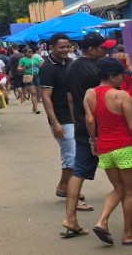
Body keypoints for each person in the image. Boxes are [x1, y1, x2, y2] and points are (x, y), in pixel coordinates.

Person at [84, 57, 132, 246]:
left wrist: (93, 141)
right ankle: (128, 234)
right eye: (121, 75)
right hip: (125, 147)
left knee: (119, 189)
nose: (124, 78)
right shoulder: (121, 96)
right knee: (131, 192)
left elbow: (90, 121)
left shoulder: (89, 94)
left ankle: (102, 221)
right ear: (112, 76)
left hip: (105, 148)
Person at [60, 32, 115, 236]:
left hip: (82, 125)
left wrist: (77, 120)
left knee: (78, 172)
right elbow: (108, 98)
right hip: (102, 126)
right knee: (122, 172)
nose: (106, 51)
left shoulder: (71, 67)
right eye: (103, 48)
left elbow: (70, 98)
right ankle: (130, 219)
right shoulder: (99, 69)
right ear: (91, 50)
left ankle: (70, 218)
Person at [38, 33, 89, 212]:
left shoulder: (70, 64)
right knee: (72, 157)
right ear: (52, 47)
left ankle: (63, 187)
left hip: (74, 116)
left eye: (68, 46)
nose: (66, 50)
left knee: (75, 155)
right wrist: (55, 123)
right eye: (61, 47)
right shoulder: (47, 68)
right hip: (61, 118)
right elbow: (46, 97)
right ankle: (71, 195)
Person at [19, 46, 42, 114]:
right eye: (29, 51)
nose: (31, 52)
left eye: (31, 51)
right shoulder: (23, 60)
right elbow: (19, 68)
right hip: (28, 76)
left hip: (36, 76)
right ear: (25, 53)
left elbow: (40, 67)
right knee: (33, 92)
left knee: (37, 92)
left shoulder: (36, 59)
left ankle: (34, 107)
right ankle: (36, 108)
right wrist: (23, 69)